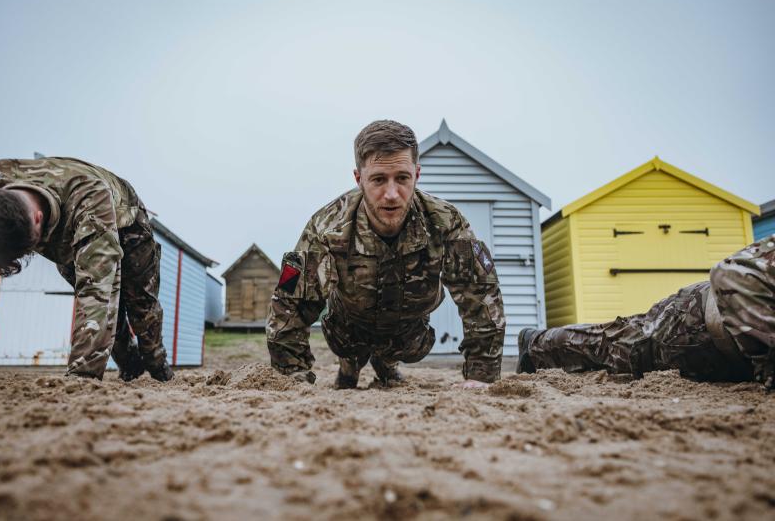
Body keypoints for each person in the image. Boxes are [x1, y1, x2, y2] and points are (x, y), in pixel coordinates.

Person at [266, 120, 506, 389]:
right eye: (378, 179)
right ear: (359, 179)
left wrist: (481, 375)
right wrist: (293, 377)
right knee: (348, 354)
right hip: (348, 327)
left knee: (406, 347)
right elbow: (289, 303)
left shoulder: (446, 222)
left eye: (402, 178)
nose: (391, 194)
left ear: (417, 174)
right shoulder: (326, 227)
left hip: (409, 330)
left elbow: (481, 293)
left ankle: (386, 363)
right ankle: (350, 365)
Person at [0, 157, 174, 382]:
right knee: (114, 317)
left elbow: (98, 295)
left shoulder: (90, 198)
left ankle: (157, 365)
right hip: (70, 240)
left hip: (127, 226)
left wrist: (82, 376)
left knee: (140, 305)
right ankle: (130, 365)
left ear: (37, 218)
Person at [517, 238, 775, 389]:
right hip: (692, 325)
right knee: (612, 345)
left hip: (725, 356)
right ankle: (534, 343)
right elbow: (733, 275)